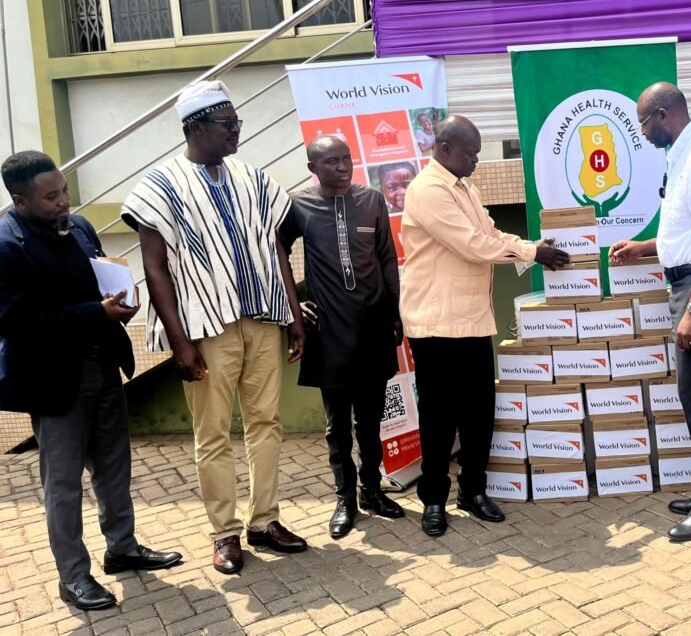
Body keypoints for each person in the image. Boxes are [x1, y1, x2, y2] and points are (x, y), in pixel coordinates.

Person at [121, 80, 307, 575]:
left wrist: (292, 315)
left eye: (238, 123)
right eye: (228, 125)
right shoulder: (158, 186)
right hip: (207, 327)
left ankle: (264, 520)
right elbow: (155, 268)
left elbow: (277, 250)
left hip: (263, 317)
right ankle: (224, 533)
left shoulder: (252, 177)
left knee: (267, 422)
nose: (237, 132)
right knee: (214, 434)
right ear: (196, 127)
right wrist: (179, 342)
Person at [0, 151, 181, 611]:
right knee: (63, 485)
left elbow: (98, 279)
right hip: (53, 381)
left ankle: (122, 548)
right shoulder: (5, 245)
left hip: (103, 368)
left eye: (64, 190)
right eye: (51, 197)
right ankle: (73, 578)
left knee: (114, 467)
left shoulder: (79, 228)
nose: (65, 202)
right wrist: (93, 313)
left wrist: (119, 300)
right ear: (20, 201)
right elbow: (16, 320)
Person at [401, 115, 569, 537]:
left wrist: (531, 248)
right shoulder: (428, 190)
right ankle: (434, 500)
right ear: (444, 148)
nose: (476, 160)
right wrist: (532, 252)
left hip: (473, 319)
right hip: (435, 323)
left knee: (479, 412)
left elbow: (491, 233)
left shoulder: (467, 189)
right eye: (470, 153)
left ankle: (472, 491)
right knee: (439, 418)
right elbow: (473, 245)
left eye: (477, 153)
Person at [609, 82, 691, 542]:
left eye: (643, 123)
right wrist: (646, 246)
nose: (642, 133)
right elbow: (689, 230)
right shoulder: (683, 155)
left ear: (663, 115)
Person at [279, 135, 405, 539]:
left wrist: (393, 311)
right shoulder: (298, 205)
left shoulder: (371, 200)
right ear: (313, 169)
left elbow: (386, 256)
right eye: (331, 161)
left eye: (346, 158)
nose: (341, 166)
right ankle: (345, 499)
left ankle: (372, 490)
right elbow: (275, 252)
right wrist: (293, 305)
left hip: (372, 326)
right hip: (329, 331)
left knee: (371, 419)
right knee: (337, 425)